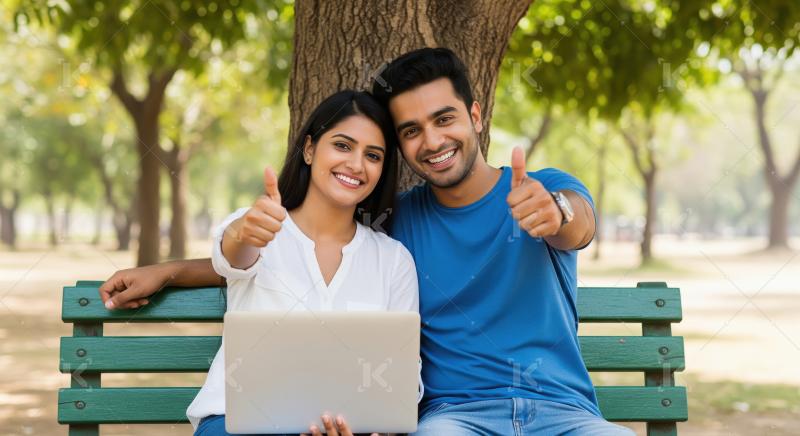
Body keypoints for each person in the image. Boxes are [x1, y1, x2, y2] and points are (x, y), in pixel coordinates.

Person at [100, 48, 633, 435]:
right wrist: (170, 270)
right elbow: (263, 257)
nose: (432, 141)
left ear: (475, 116)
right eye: (412, 130)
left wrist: (554, 212)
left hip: (566, 413)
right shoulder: (399, 224)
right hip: (457, 420)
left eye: (444, 119)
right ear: (310, 149)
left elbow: (577, 224)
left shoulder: (541, 191)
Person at [100, 90, 420, 436]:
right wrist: (246, 232)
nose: (356, 165)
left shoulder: (393, 261)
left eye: (372, 155)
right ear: (310, 150)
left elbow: (402, 378)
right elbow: (233, 256)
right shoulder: (258, 230)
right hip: (236, 426)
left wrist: (375, 429)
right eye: (342, 146)